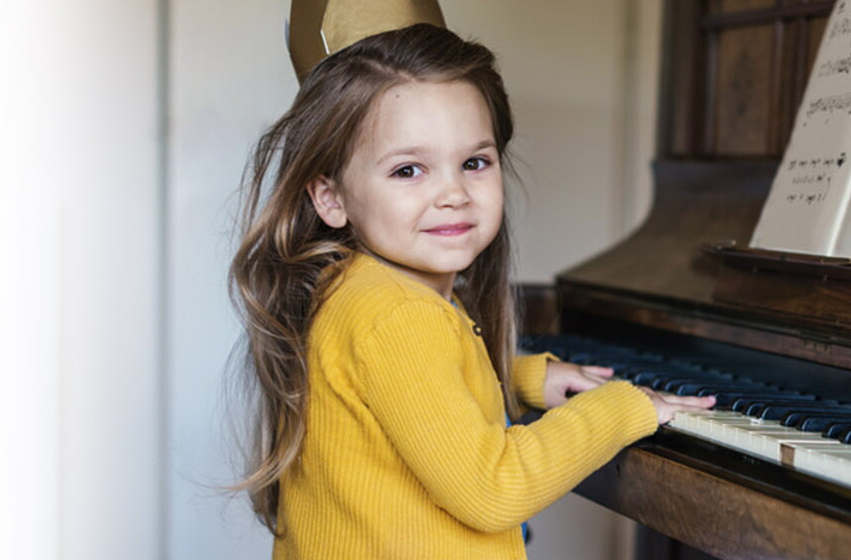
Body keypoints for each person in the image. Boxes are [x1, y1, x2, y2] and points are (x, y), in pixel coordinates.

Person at [229, 23, 715, 559]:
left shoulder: (358, 289)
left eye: (474, 163)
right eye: (409, 170)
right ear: (331, 197)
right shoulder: (399, 315)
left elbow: (414, 394)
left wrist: (522, 377)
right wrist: (623, 408)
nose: (454, 194)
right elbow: (494, 489)